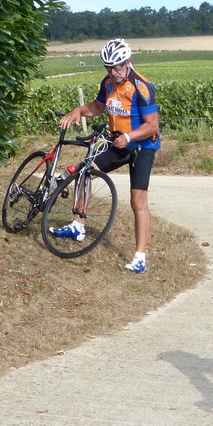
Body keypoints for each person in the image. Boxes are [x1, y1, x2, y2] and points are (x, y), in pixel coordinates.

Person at [51, 38, 161, 274]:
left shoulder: (142, 87)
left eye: (117, 67)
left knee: (137, 202)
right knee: (84, 171)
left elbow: (152, 126)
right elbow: (98, 107)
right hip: (118, 144)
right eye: (108, 67)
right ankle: (78, 225)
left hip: (142, 147)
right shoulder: (108, 83)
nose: (113, 72)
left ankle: (140, 257)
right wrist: (78, 111)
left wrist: (129, 137)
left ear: (128, 62)